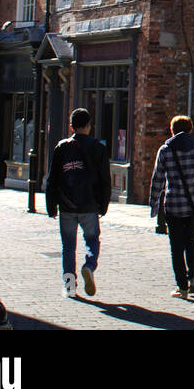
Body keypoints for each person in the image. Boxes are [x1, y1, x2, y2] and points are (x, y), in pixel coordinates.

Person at [45, 108, 111, 298]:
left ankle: (69, 286)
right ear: (89, 126)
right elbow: (105, 180)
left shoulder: (61, 147)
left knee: (68, 246)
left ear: (71, 126)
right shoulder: (98, 148)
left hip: (67, 205)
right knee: (92, 240)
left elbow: (53, 179)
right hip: (89, 204)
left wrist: (51, 205)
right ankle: (89, 266)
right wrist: (103, 204)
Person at [149, 115, 194, 299]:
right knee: (191, 241)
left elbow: (158, 179)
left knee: (176, 247)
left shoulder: (165, 150)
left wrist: (154, 204)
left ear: (172, 130)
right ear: (190, 129)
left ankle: (182, 287)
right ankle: (193, 279)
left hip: (174, 205)